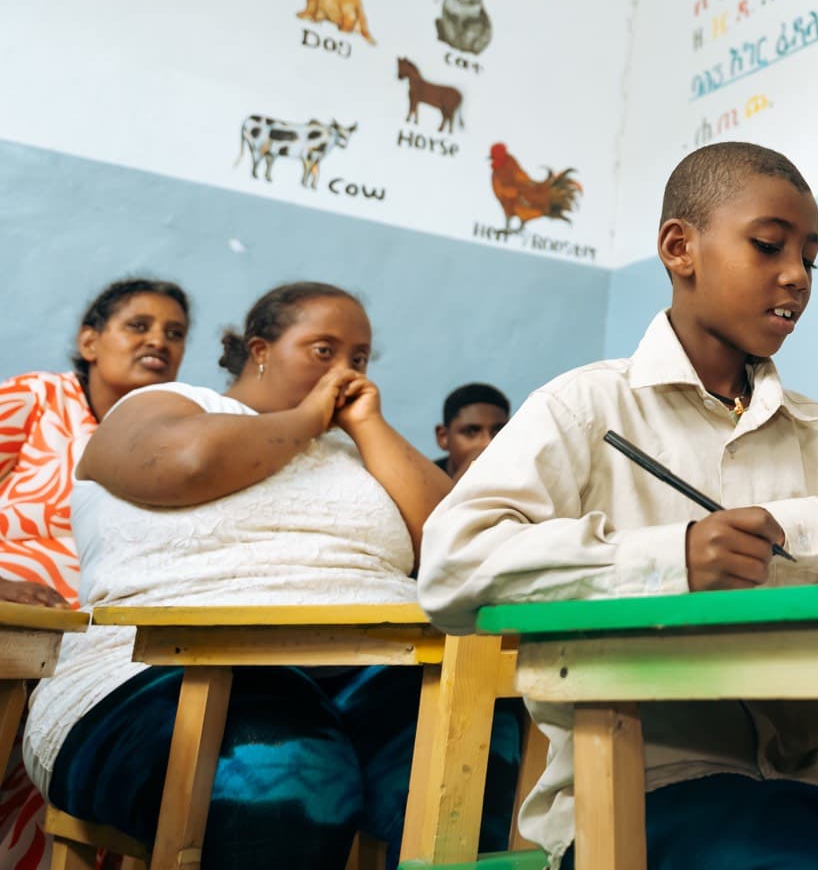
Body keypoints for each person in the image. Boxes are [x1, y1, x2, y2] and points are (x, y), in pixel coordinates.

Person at [419, 141, 818, 870]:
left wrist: (800, 525)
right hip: (640, 793)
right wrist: (669, 557)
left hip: (811, 775)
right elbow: (453, 568)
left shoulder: (814, 430)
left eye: (810, 258)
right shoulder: (586, 408)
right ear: (680, 248)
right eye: (768, 246)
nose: (796, 276)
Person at [23, 282, 521, 870]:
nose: (347, 371)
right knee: (290, 764)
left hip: (372, 668)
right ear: (260, 349)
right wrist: (307, 418)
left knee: (480, 742)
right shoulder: (169, 404)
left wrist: (368, 425)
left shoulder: (362, 448)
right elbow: (185, 465)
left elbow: (458, 547)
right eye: (324, 350)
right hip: (162, 672)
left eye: (360, 358)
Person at [0, 279, 190, 870]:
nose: (158, 341)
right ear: (90, 342)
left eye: (175, 333)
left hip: (95, 649)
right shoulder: (38, 398)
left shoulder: (177, 440)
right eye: (138, 325)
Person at [435, 382, 510, 482]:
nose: (487, 443)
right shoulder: (421, 479)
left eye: (499, 431)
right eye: (471, 432)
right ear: (443, 437)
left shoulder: (523, 476)